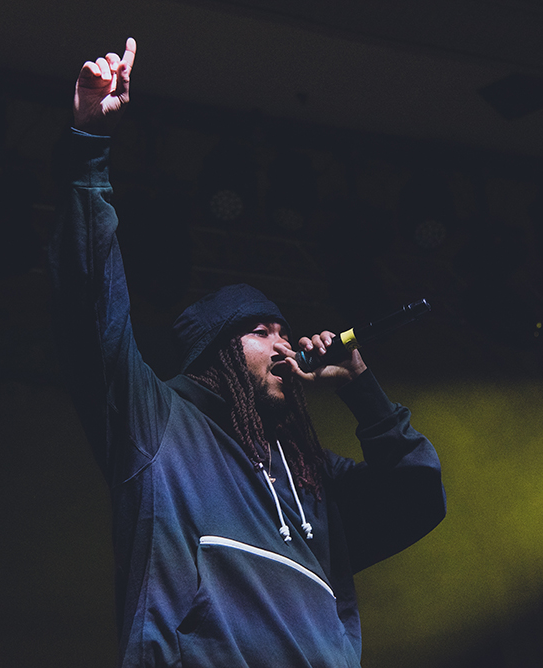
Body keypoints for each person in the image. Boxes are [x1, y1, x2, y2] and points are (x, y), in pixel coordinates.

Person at [49, 37, 446, 668]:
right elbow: (89, 303)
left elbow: (418, 497)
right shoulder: (159, 425)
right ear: (217, 353)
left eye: (285, 331)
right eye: (262, 332)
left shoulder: (311, 474)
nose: (284, 344)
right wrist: (89, 152)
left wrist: (362, 390)